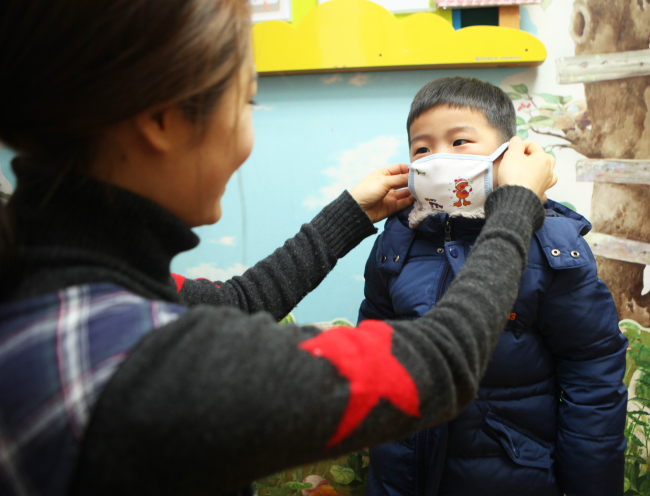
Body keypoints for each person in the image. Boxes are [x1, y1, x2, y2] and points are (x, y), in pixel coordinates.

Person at [0, 3, 556, 496]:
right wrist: (515, 207)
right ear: (160, 120)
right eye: (245, 103)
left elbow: (234, 302)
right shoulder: (146, 368)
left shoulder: (51, 286)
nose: (247, 137)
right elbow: (441, 362)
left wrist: (351, 213)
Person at [359, 77, 627, 496]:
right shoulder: (396, 241)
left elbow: (592, 376)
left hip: (513, 476)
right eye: (422, 148)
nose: (438, 158)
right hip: (403, 475)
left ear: (511, 153)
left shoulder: (551, 246)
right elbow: (371, 351)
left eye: (460, 141)